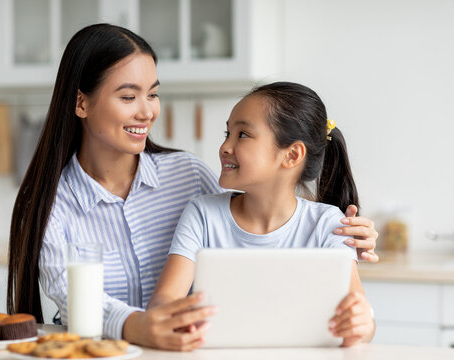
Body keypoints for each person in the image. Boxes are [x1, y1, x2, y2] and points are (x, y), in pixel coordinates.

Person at [6, 24, 378, 351]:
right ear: (81, 102)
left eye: (152, 94)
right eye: (127, 96)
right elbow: (72, 299)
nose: (147, 111)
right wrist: (139, 326)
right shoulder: (49, 201)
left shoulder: (188, 176)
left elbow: (270, 203)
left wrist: (349, 235)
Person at [148, 82, 375, 347]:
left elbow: (361, 324)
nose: (224, 146)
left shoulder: (329, 225)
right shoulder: (202, 214)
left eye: (242, 134)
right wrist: (174, 317)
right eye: (227, 133)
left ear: (291, 155)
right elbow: (163, 301)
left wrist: (362, 322)